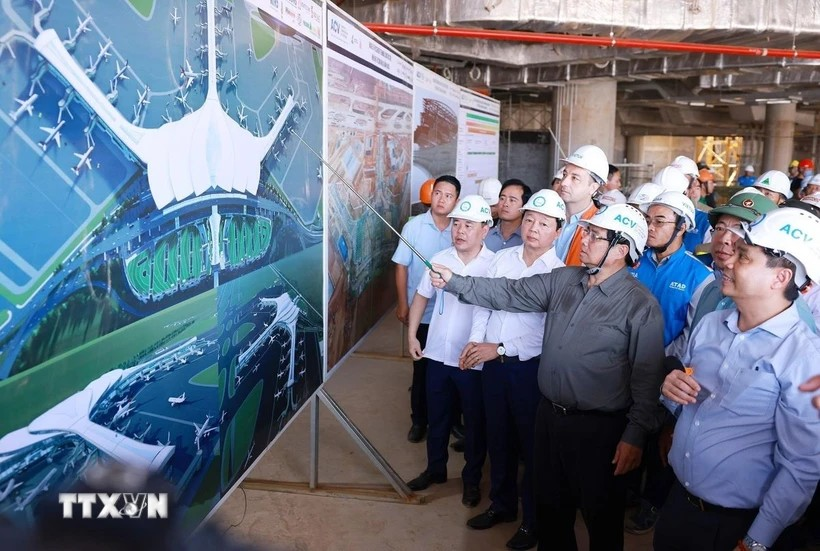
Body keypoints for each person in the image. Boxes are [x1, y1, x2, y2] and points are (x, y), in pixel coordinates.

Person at [429, 203, 666, 551]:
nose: (585, 240)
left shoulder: (640, 306)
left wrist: (634, 436)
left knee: (601, 518)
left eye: (595, 236)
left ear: (621, 249)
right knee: (551, 511)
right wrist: (455, 281)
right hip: (549, 418)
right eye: (586, 232)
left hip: (600, 430)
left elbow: (647, 380)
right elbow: (509, 292)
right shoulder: (564, 279)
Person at [655, 207, 820, 551]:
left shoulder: (804, 357)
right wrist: (671, 388)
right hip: (679, 504)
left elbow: (801, 466)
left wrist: (757, 541)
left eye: (743, 256)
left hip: (735, 526)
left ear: (780, 277)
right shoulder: (711, 325)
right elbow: (686, 388)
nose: (728, 261)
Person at [463, 190, 566, 550]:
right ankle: (502, 505)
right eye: (530, 219)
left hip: (527, 370)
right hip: (492, 365)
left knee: (532, 447)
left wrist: (501, 348)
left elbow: (548, 334)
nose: (534, 227)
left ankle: (532, 521)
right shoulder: (502, 259)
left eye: (544, 223)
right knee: (498, 437)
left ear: (558, 231)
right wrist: (476, 343)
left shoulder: (559, 274)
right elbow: (484, 303)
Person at [406, 194, 495, 509]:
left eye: (469, 225)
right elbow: (421, 297)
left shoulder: (493, 265)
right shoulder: (440, 258)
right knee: (438, 418)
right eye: (457, 224)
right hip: (437, 356)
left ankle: (471, 480)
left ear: (485, 229)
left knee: (474, 423)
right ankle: (435, 469)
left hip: (473, 362)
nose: (460, 230)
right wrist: (412, 335)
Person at [392, 175, 460, 443]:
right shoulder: (414, 227)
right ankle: (419, 421)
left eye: (448, 195)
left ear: (456, 200)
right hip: (420, 313)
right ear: (431, 196)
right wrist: (402, 303)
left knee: (451, 370)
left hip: (451, 315)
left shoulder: (460, 228)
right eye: (438, 193)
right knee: (421, 371)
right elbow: (401, 266)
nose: (442, 199)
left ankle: (451, 421)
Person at [632, 191, 713, 348]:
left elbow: (692, 335)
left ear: (681, 227)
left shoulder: (701, 276)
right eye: (647, 221)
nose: (650, 228)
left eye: (659, 222)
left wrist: (660, 359)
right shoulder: (631, 261)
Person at [553, 145, 611, 267]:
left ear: (593, 188)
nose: (564, 183)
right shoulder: (549, 213)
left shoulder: (600, 227)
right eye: (565, 174)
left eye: (575, 178)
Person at [484, 179, 532, 252]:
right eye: (502, 198)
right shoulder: (485, 234)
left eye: (512, 200)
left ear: (524, 206)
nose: (505, 204)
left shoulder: (528, 239)